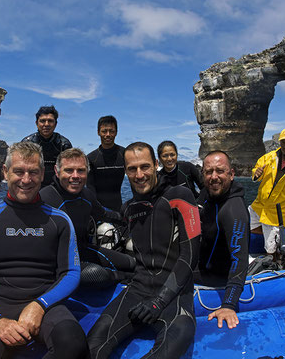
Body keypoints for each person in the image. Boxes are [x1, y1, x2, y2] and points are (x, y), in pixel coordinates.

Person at [0, 141, 87, 359]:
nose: (26, 180)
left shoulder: (59, 220)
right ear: (5, 172)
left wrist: (39, 306)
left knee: (73, 342)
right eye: (19, 171)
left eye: (33, 172)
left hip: (48, 305)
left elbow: (71, 273)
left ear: (43, 174)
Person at [87, 142, 201, 359]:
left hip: (175, 296)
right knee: (93, 344)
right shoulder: (129, 208)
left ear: (156, 165)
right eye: (132, 169)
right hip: (137, 291)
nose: (139, 174)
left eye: (145, 167)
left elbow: (190, 257)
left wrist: (159, 301)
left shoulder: (180, 196)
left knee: (171, 346)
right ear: (125, 171)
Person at [40, 148, 135, 287]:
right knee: (96, 274)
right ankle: (128, 278)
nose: (75, 176)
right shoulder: (45, 199)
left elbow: (104, 214)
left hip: (82, 250)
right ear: (57, 171)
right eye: (69, 170)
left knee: (131, 263)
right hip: (55, 263)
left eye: (81, 170)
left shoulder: (86, 194)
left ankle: (135, 278)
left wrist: (130, 216)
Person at [196, 150, 250, 329]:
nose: (214, 177)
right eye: (208, 171)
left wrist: (228, 305)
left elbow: (239, 259)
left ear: (232, 174)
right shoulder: (207, 194)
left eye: (220, 171)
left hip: (215, 276)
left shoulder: (233, 210)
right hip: (199, 264)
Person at [22, 105, 72, 187]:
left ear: (55, 124)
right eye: (42, 121)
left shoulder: (64, 144)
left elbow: (69, 171)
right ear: (36, 123)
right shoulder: (27, 143)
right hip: (32, 185)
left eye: (50, 121)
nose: (46, 124)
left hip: (56, 187)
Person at [86, 116, 126, 211]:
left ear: (116, 132)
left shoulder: (124, 154)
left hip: (119, 207)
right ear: (98, 132)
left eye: (111, 131)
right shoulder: (91, 158)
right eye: (104, 131)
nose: (108, 134)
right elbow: (90, 188)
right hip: (98, 208)